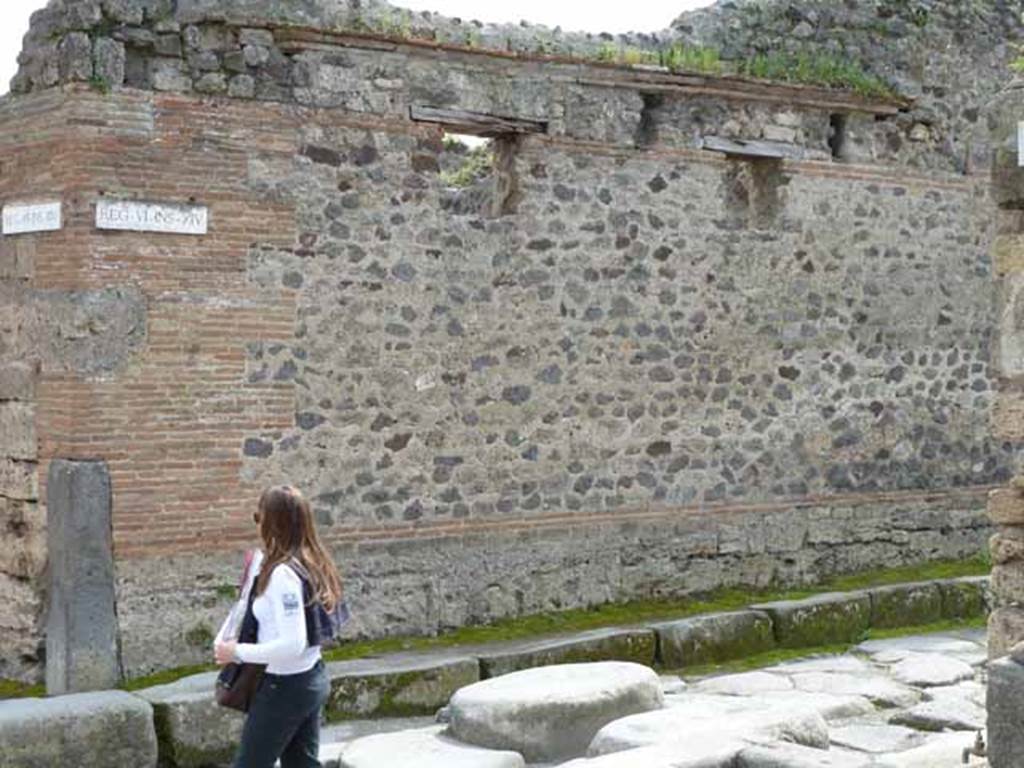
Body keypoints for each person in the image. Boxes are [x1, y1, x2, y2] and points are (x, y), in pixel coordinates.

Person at [214, 485, 344, 768]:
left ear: (273, 522)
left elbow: (292, 644)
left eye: (257, 517)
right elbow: (252, 607)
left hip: (284, 688)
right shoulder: (312, 559)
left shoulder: (284, 573)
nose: (257, 525)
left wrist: (236, 652)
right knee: (301, 763)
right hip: (310, 678)